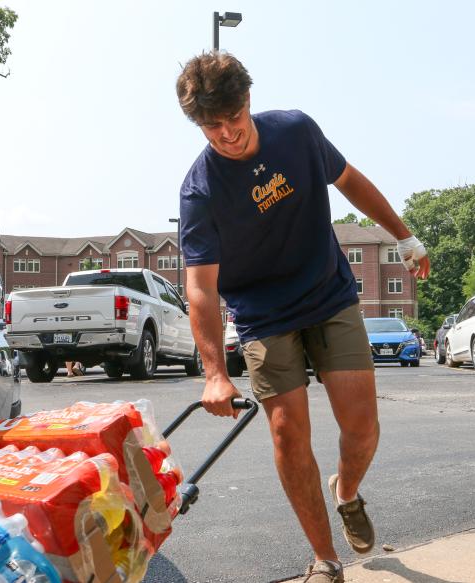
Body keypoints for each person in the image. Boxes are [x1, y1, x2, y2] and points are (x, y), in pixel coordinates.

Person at [175, 52, 430, 583]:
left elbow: (350, 179)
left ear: (249, 102)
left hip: (329, 295)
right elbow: (201, 288)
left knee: (361, 428)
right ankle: (325, 559)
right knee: (289, 434)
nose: (225, 135)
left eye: (233, 120)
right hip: (264, 315)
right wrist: (215, 373)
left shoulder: (296, 130)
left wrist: (403, 236)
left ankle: (347, 491)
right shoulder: (200, 190)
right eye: (210, 127)